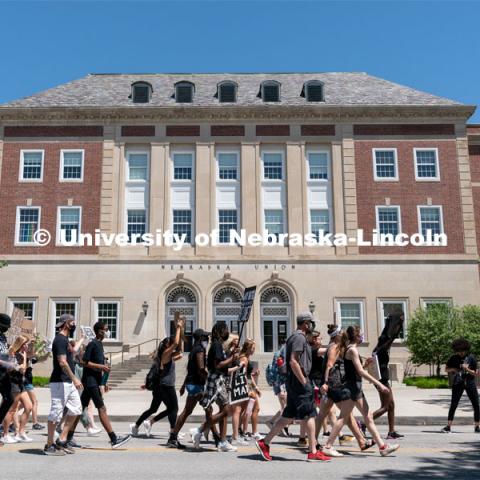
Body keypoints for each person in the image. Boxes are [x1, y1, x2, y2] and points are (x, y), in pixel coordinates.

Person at [255, 312, 331, 462]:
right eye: (311, 323)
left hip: (294, 382)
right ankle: (313, 451)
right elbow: (293, 361)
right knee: (310, 414)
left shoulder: (297, 337)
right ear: (305, 323)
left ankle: (265, 442)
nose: (312, 326)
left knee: (287, 416)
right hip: (299, 382)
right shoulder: (298, 338)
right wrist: (303, 381)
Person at [320, 326, 400, 458]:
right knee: (343, 418)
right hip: (351, 389)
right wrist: (379, 384)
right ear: (356, 336)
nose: (362, 336)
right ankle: (327, 446)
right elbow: (360, 372)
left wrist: (366, 365)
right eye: (361, 334)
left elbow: (356, 370)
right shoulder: (352, 350)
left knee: (368, 416)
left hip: (355, 388)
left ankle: (382, 447)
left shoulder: (349, 349)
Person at [69, 322, 131, 448]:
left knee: (80, 410)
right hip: (90, 382)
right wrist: (101, 366)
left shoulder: (100, 344)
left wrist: (103, 381)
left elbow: (98, 365)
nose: (108, 331)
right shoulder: (93, 344)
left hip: (94, 381)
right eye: (106, 329)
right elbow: (84, 362)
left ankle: (68, 437)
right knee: (102, 408)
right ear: (99, 331)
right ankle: (113, 439)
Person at [316, 325, 374, 452]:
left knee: (326, 415)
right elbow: (329, 365)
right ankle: (320, 444)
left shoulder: (337, 346)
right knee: (344, 416)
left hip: (333, 385)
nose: (343, 334)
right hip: (334, 385)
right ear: (337, 335)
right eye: (341, 333)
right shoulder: (334, 347)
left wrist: (365, 364)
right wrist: (325, 383)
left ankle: (361, 441)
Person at [130, 314, 184, 446]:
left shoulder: (169, 356)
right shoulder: (165, 355)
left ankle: (145, 424)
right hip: (165, 385)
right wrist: (178, 327)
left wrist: (181, 332)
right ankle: (171, 431)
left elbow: (180, 351)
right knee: (173, 408)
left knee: (158, 409)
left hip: (164, 386)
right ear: (167, 346)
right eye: (170, 344)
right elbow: (176, 344)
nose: (173, 346)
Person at [190, 321, 238, 452]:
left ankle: (222, 441)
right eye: (226, 329)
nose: (227, 332)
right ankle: (200, 429)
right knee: (227, 411)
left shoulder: (218, 345)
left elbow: (221, 362)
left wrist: (231, 354)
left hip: (219, 379)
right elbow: (218, 365)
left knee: (224, 410)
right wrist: (232, 359)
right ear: (221, 331)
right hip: (216, 380)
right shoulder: (217, 345)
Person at [44, 314, 83, 456]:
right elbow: (62, 362)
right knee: (56, 413)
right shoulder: (59, 339)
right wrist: (75, 378)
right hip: (60, 381)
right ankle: (49, 445)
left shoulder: (66, 340)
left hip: (68, 382)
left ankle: (61, 439)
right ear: (66, 323)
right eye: (73, 322)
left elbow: (73, 352)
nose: (75, 324)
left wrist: (83, 338)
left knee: (76, 409)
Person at [169, 328, 212, 448]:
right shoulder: (199, 350)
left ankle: (173, 437)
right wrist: (210, 378)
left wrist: (183, 386)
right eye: (205, 337)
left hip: (192, 384)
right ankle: (215, 437)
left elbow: (190, 370)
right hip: (197, 386)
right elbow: (201, 368)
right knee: (207, 410)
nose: (207, 340)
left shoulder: (193, 350)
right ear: (200, 338)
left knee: (195, 411)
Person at [372, 311, 405, 439]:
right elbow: (383, 347)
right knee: (386, 406)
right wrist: (396, 333)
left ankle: (391, 432)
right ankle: (363, 424)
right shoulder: (385, 340)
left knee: (391, 406)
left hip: (382, 377)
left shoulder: (384, 337)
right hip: (381, 379)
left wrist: (397, 329)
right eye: (399, 321)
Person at [442, 338, 480, 433]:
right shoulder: (453, 358)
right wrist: (454, 369)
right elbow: (446, 369)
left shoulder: (471, 358)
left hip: (470, 382)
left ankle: (477, 426)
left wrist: (467, 369)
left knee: (476, 404)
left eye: (462, 351)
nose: (461, 353)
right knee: (454, 404)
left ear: (466, 349)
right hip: (458, 383)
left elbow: (476, 373)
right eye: (459, 351)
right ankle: (448, 426)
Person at [1, 335, 33, 444]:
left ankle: (21, 432)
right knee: (12, 410)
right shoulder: (12, 353)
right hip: (12, 383)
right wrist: (18, 366)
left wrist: (24, 357)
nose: (27, 346)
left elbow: (23, 369)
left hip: (20, 383)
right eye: (25, 344)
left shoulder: (21, 354)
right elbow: (12, 368)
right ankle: (5, 434)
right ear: (20, 344)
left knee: (29, 406)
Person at [230, 338, 255, 446]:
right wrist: (248, 388)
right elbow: (241, 374)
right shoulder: (244, 359)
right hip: (239, 386)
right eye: (253, 348)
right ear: (248, 348)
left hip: (242, 386)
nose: (254, 350)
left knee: (240, 410)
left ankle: (238, 434)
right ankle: (235, 437)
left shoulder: (245, 358)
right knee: (237, 410)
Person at [265, 343, 290, 437]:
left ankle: (275, 423)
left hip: (279, 384)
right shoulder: (281, 355)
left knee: (285, 406)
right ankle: (276, 425)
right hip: (281, 384)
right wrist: (281, 389)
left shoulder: (278, 353)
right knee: (285, 407)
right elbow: (280, 372)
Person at [0, 314, 14, 447]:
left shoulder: (3, 338)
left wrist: (10, 361)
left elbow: (5, 353)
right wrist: (5, 363)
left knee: (9, 399)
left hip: (3, 374)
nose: (5, 329)